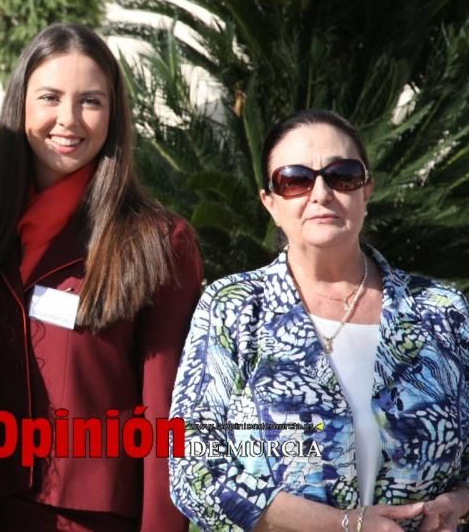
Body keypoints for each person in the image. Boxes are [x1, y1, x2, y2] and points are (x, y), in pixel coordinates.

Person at [169, 109, 469, 532]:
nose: (322, 192)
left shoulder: (442, 311)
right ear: (270, 204)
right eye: (295, 180)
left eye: (342, 175)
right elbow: (193, 472)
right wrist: (343, 524)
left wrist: (460, 501)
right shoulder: (234, 308)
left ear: (367, 191)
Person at [0, 23, 203, 531]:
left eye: (91, 101)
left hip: (93, 518)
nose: (68, 119)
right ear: (21, 107)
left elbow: (165, 414)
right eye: (50, 97)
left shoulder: (159, 243)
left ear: (114, 115)